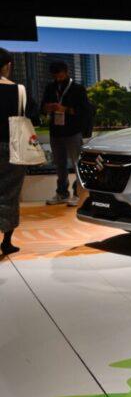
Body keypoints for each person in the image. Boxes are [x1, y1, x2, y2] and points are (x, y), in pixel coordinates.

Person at [0, 48, 38, 256]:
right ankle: (6, 242)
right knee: (10, 194)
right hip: (12, 147)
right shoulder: (20, 91)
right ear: (7, 66)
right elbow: (34, 116)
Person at [41, 61, 89, 207]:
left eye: (60, 74)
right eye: (54, 75)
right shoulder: (50, 87)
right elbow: (42, 108)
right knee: (59, 165)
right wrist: (48, 107)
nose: (57, 77)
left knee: (77, 163)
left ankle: (78, 193)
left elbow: (85, 110)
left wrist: (65, 109)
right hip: (56, 131)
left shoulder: (77, 88)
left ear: (66, 71)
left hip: (73, 131)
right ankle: (62, 193)